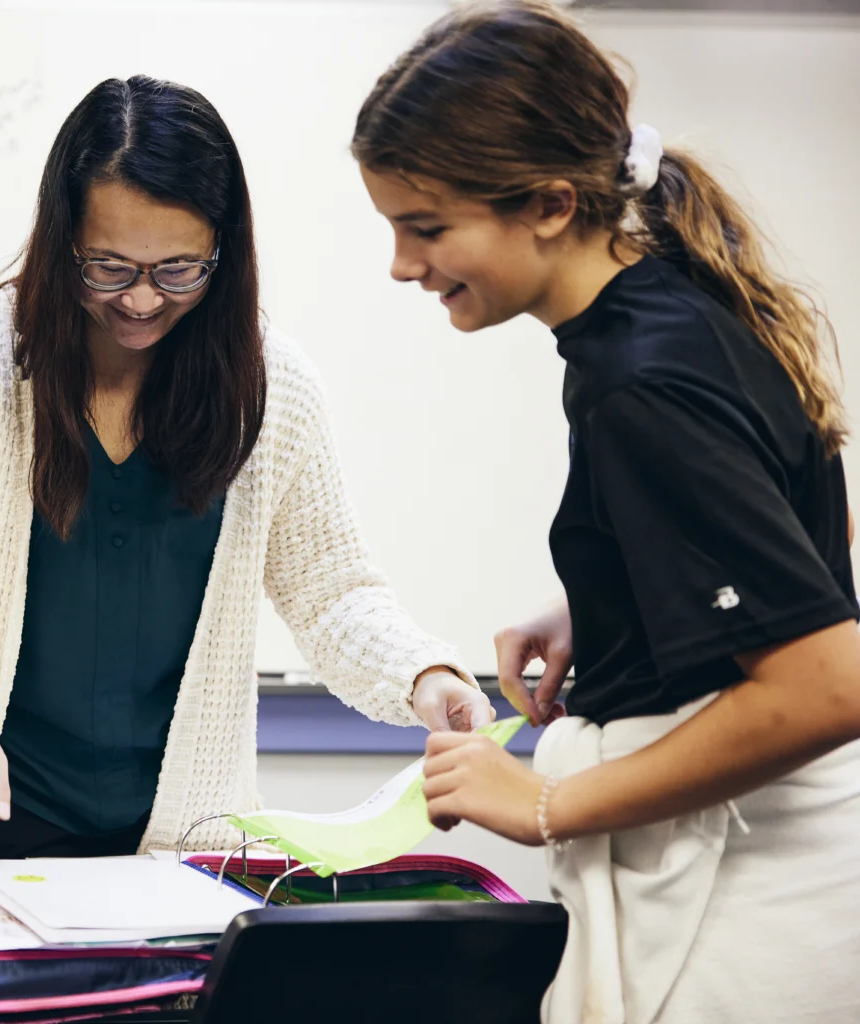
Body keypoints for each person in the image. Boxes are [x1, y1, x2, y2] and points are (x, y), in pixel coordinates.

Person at [353, 3, 860, 1021]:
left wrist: (543, 804)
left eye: (428, 226)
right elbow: (803, 537)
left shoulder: (637, 379)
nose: (403, 265)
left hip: (748, 901)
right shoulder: (668, 298)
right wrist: (609, 590)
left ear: (545, 203)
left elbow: (827, 684)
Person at [0, 75, 493, 877]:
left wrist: (422, 675)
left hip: (183, 844)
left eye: (176, 270)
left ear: (222, 252)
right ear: (62, 239)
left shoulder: (269, 387)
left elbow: (330, 587)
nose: (139, 298)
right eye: (107, 266)